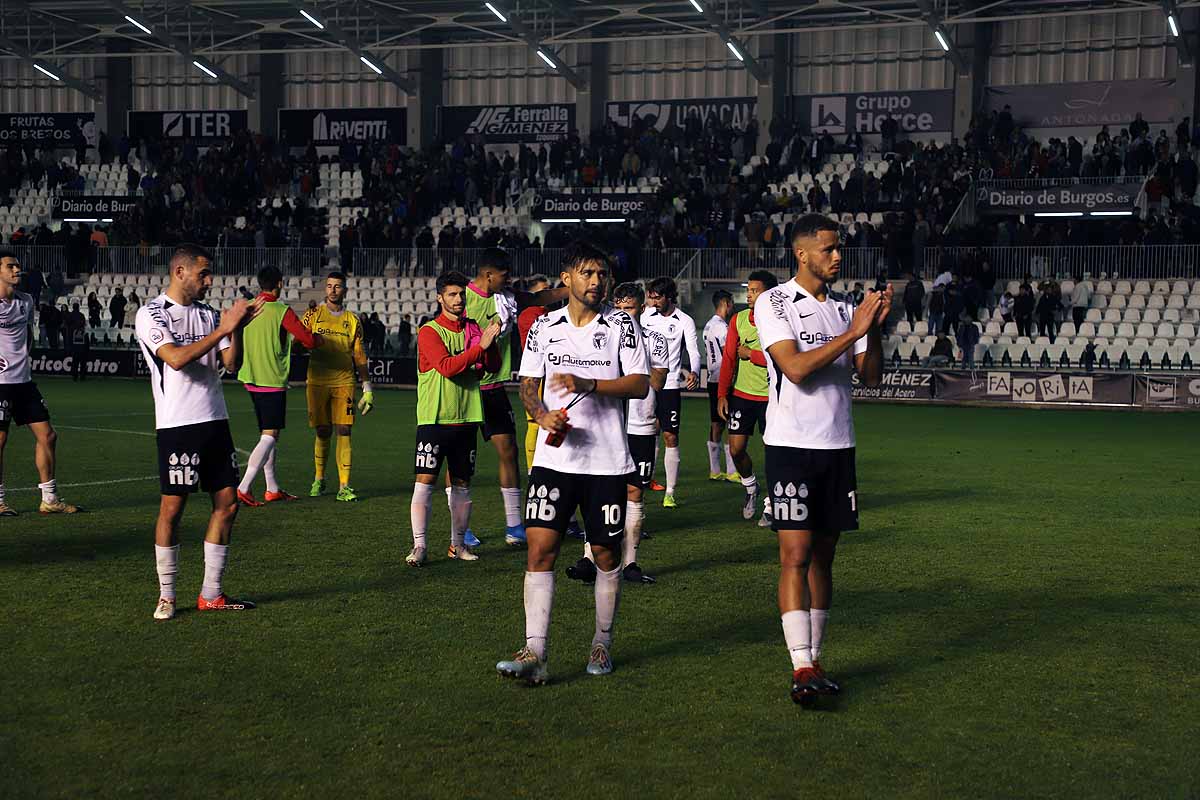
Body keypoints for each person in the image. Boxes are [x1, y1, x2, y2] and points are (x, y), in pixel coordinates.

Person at [496, 242, 649, 684]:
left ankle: (601, 643)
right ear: (567, 278)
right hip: (554, 461)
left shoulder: (622, 325)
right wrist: (542, 416)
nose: (597, 281)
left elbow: (639, 384)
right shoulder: (545, 327)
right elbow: (528, 385)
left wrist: (589, 382)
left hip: (606, 462)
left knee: (604, 553)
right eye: (587, 273)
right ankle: (534, 653)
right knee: (540, 548)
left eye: (602, 273)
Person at [754, 214, 887, 706]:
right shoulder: (774, 302)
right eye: (828, 249)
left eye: (839, 249)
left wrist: (875, 331)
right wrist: (854, 332)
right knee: (795, 555)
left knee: (825, 558)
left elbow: (869, 378)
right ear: (802, 253)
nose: (837, 257)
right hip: (790, 445)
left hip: (838, 445)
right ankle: (800, 664)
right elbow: (795, 369)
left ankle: (816, 658)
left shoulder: (845, 308)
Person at [134, 244, 257, 620]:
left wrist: (236, 331)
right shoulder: (151, 313)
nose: (210, 280)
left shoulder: (207, 313)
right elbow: (174, 359)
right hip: (178, 425)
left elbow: (230, 364)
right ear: (180, 272)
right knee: (173, 508)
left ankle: (211, 594)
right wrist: (224, 326)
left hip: (215, 421)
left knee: (228, 504)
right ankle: (167, 595)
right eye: (203, 273)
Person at [567, 282, 667, 585]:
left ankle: (631, 563)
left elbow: (657, 382)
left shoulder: (654, 339)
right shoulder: (603, 335)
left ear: (641, 308)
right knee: (596, 489)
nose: (624, 314)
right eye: (620, 308)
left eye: (630, 308)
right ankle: (588, 557)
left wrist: (633, 367)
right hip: (609, 425)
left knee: (635, 492)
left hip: (641, 424)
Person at [465, 249, 566, 547]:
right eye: (505, 275)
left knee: (508, 450)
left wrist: (568, 288)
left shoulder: (506, 298)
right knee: (462, 461)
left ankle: (514, 526)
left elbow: (537, 299)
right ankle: (462, 529)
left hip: (494, 388)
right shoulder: (464, 299)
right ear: (489, 275)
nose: (509, 280)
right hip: (468, 388)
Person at [406, 271, 501, 566]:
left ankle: (457, 545)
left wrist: (492, 342)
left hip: (467, 417)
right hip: (434, 419)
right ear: (439, 298)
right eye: (451, 294)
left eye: (461, 294)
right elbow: (447, 367)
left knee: (461, 485)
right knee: (425, 482)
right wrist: (478, 350)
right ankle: (420, 546)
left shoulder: (474, 328)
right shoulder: (429, 331)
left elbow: (492, 366)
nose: (458, 300)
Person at [0, 249, 80, 517]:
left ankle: (49, 499)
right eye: (11, 266)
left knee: (48, 436)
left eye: (18, 266)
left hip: (23, 382)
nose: (17, 270)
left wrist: (24, 359)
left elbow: (28, 335)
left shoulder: (25, 301)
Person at [235, 266, 323, 506]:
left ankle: (272, 487)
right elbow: (306, 339)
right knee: (270, 435)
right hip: (271, 378)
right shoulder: (281, 310)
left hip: (250, 376)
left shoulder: (251, 306)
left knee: (269, 432)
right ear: (280, 284)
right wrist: (318, 340)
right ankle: (244, 486)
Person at [301, 272, 373, 502]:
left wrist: (367, 386)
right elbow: (297, 343)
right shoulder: (313, 315)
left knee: (344, 430)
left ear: (345, 290)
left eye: (337, 286)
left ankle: (344, 485)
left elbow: (359, 355)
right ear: (325, 289)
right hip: (317, 381)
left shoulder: (353, 321)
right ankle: (319, 478)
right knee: (323, 431)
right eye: (329, 286)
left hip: (344, 381)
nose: (332, 290)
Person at [718, 269, 776, 527]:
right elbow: (729, 358)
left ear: (769, 293)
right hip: (742, 395)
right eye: (749, 290)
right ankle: (751, 487)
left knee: (774, 452)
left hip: (772, 396)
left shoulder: (779, 320)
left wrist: (751, 354)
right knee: (736, 449)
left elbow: (781, 357)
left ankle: (772, 505)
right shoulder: (738, 319)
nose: (749, 295)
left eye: (755, 290)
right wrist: (722, 394)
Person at [640, 276, 701, 508]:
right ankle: (648, 478)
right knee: (647, 431)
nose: (653, 302)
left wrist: (694, 371)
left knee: (670, 435)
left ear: (668, 297)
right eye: (651, 297)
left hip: (671, 383)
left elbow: (694, 351)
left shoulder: (684, 320)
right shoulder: (646, 317)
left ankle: (671, 492)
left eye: (657, 298)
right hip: (646, 382)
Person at [701, 289, 738, 481]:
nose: (732, 307)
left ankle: (715, 470)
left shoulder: (708, 325)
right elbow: (729, 354)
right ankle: (732, 471)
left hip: (712, 379)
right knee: (731, 423)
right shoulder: (723, 327)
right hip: (724, 380)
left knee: (717, 423)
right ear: (726, 303)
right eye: (731, 302)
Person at [516, 275, 551, 471]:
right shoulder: (530, 315)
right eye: (544, 289)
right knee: (535, 423)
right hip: (536, 375)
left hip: (549, 374)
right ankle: (532, 470)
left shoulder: (547, 312)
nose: (549, 293)